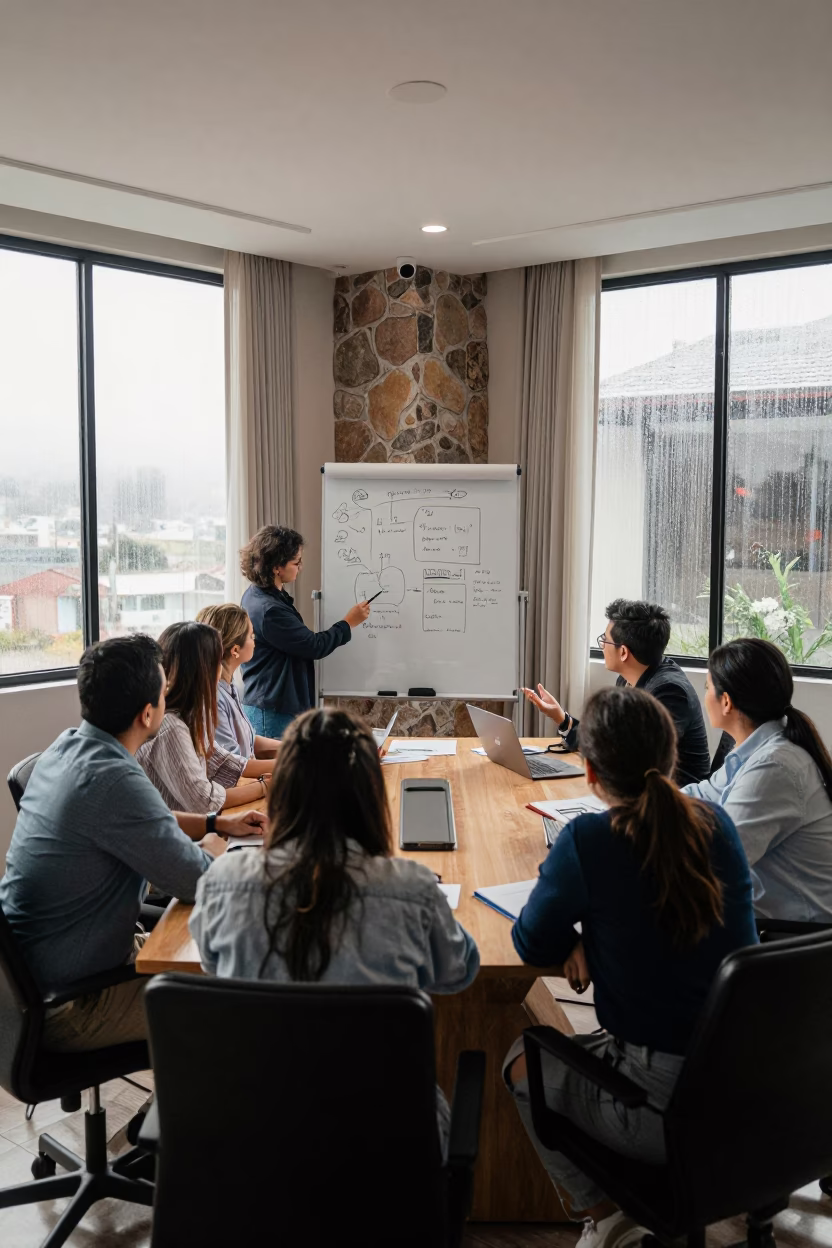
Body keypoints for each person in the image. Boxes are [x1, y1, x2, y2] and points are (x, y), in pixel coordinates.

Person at [504, 686, 757, 1248]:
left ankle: (603, 1216)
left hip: (660, 1103)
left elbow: (528, 939)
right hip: (749, 1087)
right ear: (671, 756)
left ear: (589, 772)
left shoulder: (590, 837)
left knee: (523, 1060)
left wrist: (576, 935)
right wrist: (594, 931)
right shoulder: (717, 825)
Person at [190, 707, 479, 1145]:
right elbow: (459, 973)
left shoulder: (222, 882)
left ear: (283, 792)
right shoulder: (412, 890)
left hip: (256, 1143)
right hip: (389, 1145)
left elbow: (212, 966)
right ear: (369, 793)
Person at [0, 635, 266, 1052]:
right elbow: (198, 881)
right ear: (147, 713)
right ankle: (169, 1116)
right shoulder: (114, 780)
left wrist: (215, 822)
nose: (168, 700)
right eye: (164, 693)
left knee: (219, 956)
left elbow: (141, 819)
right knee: (245, 996)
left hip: (33, 982)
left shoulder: (67, 748)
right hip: (74, 1002)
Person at [684, 637, 832, 922]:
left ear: (726, 702)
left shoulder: (774, 767)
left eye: (707, 688)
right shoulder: (754, 749)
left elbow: (717, 862)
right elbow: (704, 794)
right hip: (764, 924)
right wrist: (643, 801)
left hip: (791, 942)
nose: (704, 696)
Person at [523, 598, 710, 786]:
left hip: (674, 803)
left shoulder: (669, 691)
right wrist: (561, 718)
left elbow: (638, 760)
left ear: (623, 653)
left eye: (605, 640)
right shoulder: (628, 679)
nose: (602, 645)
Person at [239, 526, 371, 739]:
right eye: (296, 562)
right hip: (274, 709)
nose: (301, 567)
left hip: (275, 703)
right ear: (276, 567)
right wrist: (348, 623)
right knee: (282, 770)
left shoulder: (261, 595)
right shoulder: (269, 609)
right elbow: (313, 645)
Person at [137, 621, 274, 813]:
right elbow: (204, 801)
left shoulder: (189, 715)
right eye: (218, 662)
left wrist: (290, 764)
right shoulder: (171, 726)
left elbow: (223, 762)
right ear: (203, 671)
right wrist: (265, 786)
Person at [196, 603, 280, 760]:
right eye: (251, 636)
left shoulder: (229, 685)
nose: (255, 641)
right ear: (235, 650)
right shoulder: (214, 697)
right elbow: (233, 763)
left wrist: (292, 747)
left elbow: (247, 741)